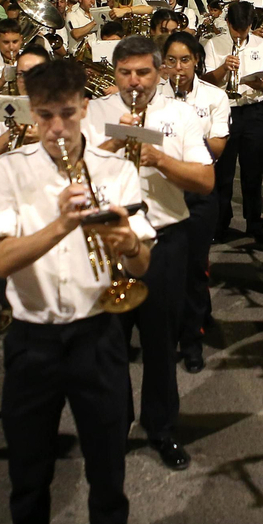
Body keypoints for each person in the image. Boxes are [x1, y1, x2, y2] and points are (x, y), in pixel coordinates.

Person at [0, 58, 152, 524]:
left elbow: (142, 262)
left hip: (98, 333)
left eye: (68, 114)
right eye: (46, 116)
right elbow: (0, 261)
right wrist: (59, 225)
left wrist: (127, 241)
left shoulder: (116, 168)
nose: (58, 127)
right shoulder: (6, 172)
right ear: (32, 114)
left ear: (85, 109)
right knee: (28, 477)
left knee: (109, 473)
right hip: (31, 338)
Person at [83, 36, 213, 469]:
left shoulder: (181, 114)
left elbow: (205, 180)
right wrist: (112, 146)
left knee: (160, 343)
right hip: (110, 237)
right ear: (114, 72)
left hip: (164, 237)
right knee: (109, 343)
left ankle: (161, 428)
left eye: (143, 73)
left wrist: (158, 158)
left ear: (159, 72)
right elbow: (75, 171)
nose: (134, 82)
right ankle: (113, 427)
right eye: (125, 73)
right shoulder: (95, 112)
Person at [161, 32, 228, 371]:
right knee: (163, 271)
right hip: (161, 191)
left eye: (185, 60)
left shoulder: (215, 96)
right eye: (171, 61)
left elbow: (216, 148)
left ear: (197, 61)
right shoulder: (153, 98)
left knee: (195, 271)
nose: (178, 68)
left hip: (199, 193)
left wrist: (182, 134)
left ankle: (192, 342)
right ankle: (164, 336)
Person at [204, 0, 263, 245]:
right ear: (227, 24)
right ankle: (220, 224)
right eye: (236, 29)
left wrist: (256, 83)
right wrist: (224, 68)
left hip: (253, 111)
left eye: (244, 29)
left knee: (253, 172)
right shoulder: (214, 44)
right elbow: (206, 81)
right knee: (223, 173)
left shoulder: (262, 45)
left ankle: (254, 224)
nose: (240, 34)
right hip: (225, 112)